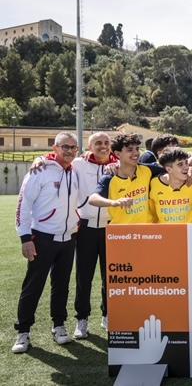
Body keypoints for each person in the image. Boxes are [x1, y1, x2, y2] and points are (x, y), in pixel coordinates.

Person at [12, 132, 80, 353]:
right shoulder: (40, 169)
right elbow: (23, 204)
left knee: (61, 285)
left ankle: (59, 325)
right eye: (65, 147)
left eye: (73, 147)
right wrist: (25, 239)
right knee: (33, 285)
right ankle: (23, 332)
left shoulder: (76, 169)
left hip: (68, 238)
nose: (69, 151)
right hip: (42, 237)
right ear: (55, 147)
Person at [72, 132, 117, 338]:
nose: (103, 146)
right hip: (86, 228)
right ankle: (82, 319)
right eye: (98, 143)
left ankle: (108, 315)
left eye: (106, 143)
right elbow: (55, 158)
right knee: (84, 276)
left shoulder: (119, 164)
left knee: (112, 277)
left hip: (112, 228)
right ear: (90, 146)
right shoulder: (79, 164)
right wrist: (39, 159)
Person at [89, 133, 165, 224]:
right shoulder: (110, 177)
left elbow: (171, 169)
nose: (136, 153)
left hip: (146, 231)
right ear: (117, 154)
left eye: (137, 149)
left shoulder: (147, 170)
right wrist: (114, 202)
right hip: (122, 234)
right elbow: (93, 199)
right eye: (130, 150)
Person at [149, 148, 192, 223]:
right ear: (169, 169)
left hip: (188, 233)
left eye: (186, 162)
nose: (186, 167)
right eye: (180, 164)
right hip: (164, 233)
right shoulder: (154, 183)